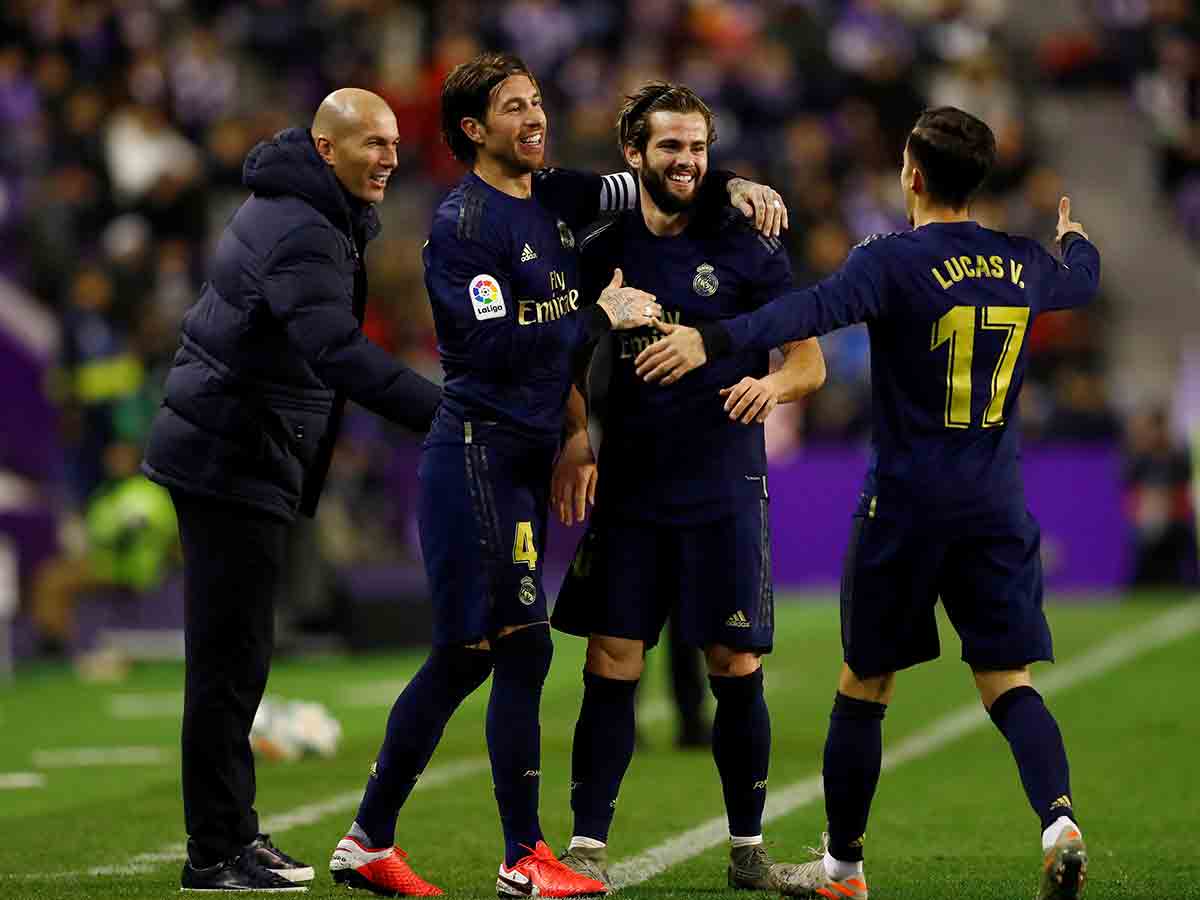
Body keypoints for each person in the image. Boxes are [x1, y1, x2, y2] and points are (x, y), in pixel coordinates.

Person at [328, 54, 787, 898]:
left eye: (537, 103)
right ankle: (520, 857)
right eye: (514, 109)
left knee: (468, 658)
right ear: (474, 131)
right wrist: (596, 314)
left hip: (525, 458)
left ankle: (369, 840)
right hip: (478, 454)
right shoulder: (464, 227)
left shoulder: (561, 195)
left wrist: (739, 187)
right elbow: (491, 350)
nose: (535, 119)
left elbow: (664, 175)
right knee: (519, 648)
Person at [634, 106, 1100, 900]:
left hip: (908, 506)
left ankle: (843, 869)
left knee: (865, 684)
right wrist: (1075, 237)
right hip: (996, 504)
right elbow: (1081, 280)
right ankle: (1058, 820)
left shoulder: (890, 261)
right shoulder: (1024, 263)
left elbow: (801, 314)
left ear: (912, 175)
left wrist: (710, 338)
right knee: (1007, 679)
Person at [141, 88, 444, 892]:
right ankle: (215, 849)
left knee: (237, 654)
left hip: (241, 450)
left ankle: (230, 833)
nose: (387, 157)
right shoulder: (304, 227)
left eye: (391, 143)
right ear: (324, 149)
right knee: (228, 659)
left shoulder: (305, 213)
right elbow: (335, 351)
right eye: (368, 143)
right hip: (228, 454)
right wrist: (442, 412)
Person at [548, 82, 826, 891]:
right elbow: (566, 355)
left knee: (735, 662)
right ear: (633, 154)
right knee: (612, 657)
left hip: (724, 484)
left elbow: (804, 360)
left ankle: (748, 852)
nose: (687, 162)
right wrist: (574, 441)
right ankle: (586, 851)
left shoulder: (748, 239)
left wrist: (771, 390)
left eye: (698, 148)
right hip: (632, 484)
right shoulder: (600, 240)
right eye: (670, 147)